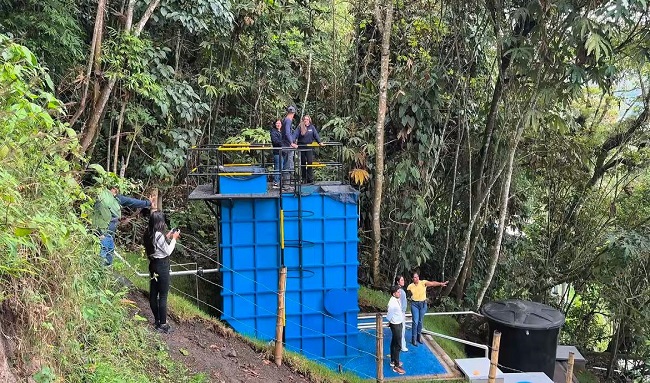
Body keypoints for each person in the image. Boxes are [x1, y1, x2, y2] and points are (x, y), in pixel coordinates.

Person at [92, 185, 153, 266]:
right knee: (101, 257)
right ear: (111, 189)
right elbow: (96, 216)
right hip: (102, 232)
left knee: (108, 258)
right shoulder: (101, 198)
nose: (117, 192)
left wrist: (148, 203)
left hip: (110, 234)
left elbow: (131, 202)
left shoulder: (116, 199)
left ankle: (102, 272)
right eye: (115, 189)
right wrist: (100, 233)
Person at [143, 211, 180, 333]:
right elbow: (167, 251)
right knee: (163, 296)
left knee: (153, 294)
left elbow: (158, 245)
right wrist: (174, 239)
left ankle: (157, 321)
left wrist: (168, 235)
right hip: (162, 265)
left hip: (153, 264)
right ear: (160, 222)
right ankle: (163, 325)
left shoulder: (148, 233)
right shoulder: (158, 235)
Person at [406, 272, 448, 346]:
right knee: (415, 321)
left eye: (417, 277)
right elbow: (408, 294)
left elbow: (432, 283)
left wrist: (441, 284)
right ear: (412, 279)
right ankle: (413, 339)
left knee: (420, 321)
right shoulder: (410, 286)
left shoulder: (423, 283)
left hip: (422, 304)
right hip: (414, 304)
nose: (416, 278)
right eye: (415, 277)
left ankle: (419, 337)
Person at [296, 115, 323, 184]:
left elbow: (316, 135)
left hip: (309, 147)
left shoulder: (312, 127)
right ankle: (304, 178)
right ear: (303, 120)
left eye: (307, 119)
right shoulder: (300, 127)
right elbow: (295, 134)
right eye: (304, 119)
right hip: (301, 146)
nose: (306, 120)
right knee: (303, 163)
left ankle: (310, 179)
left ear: (309, 120)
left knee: (310, 162)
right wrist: (292, 142)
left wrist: (319, 142)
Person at [386, 285, 406, 375]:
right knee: (398, 345)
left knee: (394, 342)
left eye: (399, 291)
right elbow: (389, 314)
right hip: (396, 324)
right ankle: (396, 366)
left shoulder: (396, 300)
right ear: (394, 293)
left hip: (398, 322)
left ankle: (393, 361)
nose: (400, 293)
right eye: (398, 292)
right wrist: (390, 322)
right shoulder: (392, 303)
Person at [281, 106, 299, 188]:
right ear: (293, 114)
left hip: (285, 145)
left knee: (288, 164)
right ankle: (286, 185)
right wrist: (292, 143)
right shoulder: (288, 120)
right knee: (288, 165)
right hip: (287, 146)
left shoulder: (285, 120)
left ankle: (287, 184)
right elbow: (287, 133)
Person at [394, 275, 409, 352]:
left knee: (400, 330)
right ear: (398, 282)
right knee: (402, 330)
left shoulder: (397, 290)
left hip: (399, 312)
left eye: (403, 280)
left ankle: (401, 345)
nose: (403, 281)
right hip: (400, 312)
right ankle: (402, 346)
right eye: (401, 280)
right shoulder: (401, 292)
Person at [270, 119, 283, 188]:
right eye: (277, 123)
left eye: (279, 123)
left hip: (282, 152)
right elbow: (275, 141)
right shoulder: (273, 132)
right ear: (275, 124)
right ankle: (276, 182)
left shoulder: (281, 131)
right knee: (277, 167)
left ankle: (279, 182)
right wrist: (283, 144)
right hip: (277, 152)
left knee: (281, 167)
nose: (278, 124)